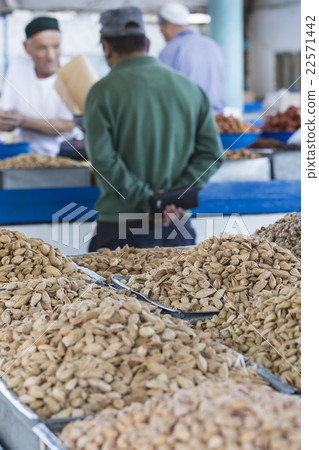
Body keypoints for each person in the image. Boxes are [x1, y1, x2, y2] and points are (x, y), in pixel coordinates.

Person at [85, 6, 224, 251]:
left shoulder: (102, 91)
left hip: (121, 226)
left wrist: (148, 201)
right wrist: (172, 199)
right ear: (147, 43)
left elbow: (103, 160)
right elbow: (212, 155)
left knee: (110, 291)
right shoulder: (191, 90)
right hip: (177, 225)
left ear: (106, 46)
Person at [0, 17, 74, 155]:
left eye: (56, 46)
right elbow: (5, 116)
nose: (51, 56)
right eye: (42, 48)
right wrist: (7, 121)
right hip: (25, 156)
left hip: (65, 156)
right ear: (26, 47)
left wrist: (23, 121)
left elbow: (68, 126)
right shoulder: (17, 68)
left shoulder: (73, 70)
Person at [158, 2, 225, 114]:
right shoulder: (213, 45)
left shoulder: (170, 50)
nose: (161, 32)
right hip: (216, 120)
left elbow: (162, 92)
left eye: (161, 28)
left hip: (187, 121)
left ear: (168, 25)